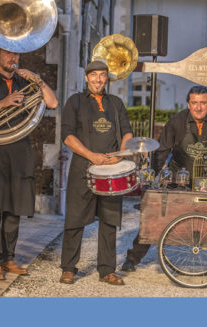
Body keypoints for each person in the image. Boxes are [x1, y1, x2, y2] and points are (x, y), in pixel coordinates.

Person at [122, 85, 207, 277]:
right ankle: (133, 258)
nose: (198, 108)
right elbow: (162, 150)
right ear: (188, 104)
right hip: (179, 178)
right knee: (156, 215)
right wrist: (153, 178)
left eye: (203, 103)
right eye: (194, 103)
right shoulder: (176, 121)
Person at [0, 47, 58, 280]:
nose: (12, 58)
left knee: (13, 208)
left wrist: (37, 79)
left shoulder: (26, 81)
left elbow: (53, 103)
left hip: (20, 150)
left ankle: (9, 258)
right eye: (7, 54)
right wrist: (5, 103)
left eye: (16, 54)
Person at [59, 60, 133, 286]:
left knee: (110, 221)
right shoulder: (75, 102)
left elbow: (128, 132)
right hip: (84, 168)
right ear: (86, 78)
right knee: (74, 220)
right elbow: (68, 136)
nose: (98, 79)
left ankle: (107, 270)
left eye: (102, 75)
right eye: (94, 75)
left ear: (107, 78)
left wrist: (121, 155)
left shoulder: (116, 103)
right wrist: (92, 156)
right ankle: (69, 268)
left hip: (111, 169)